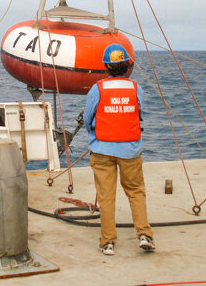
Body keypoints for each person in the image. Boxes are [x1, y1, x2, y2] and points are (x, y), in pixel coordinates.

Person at [84, 43, 155, 255]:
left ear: (106, 67)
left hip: (102, 149)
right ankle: (144, 234)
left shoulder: (97, 88)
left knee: (105, 197)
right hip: (131, 150)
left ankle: (107, 242)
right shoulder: (136, 89)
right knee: (135, 192)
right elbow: (138, 111)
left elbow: (88, 118)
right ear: (127, 66)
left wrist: (94, 136)